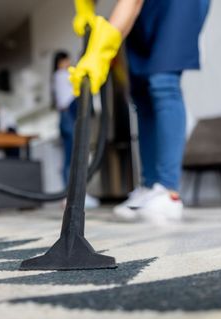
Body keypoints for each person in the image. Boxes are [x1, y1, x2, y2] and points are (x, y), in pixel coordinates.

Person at [69, 0, 210, 224]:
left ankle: (167, 190)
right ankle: (149, 187)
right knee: (141, 95)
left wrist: (101, 51)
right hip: (144, 10)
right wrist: (84, 7)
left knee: (163, 82)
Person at [52, 51, 100, 209]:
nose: (69, 63)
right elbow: (80, 83)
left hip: (65, 118)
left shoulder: (57, 77)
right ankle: (74, 196)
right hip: (68, 117)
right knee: (75, 156)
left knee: (70, 157)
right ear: (60, 61)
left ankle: (71, 195)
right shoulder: (61, 75)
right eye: (67, 60)